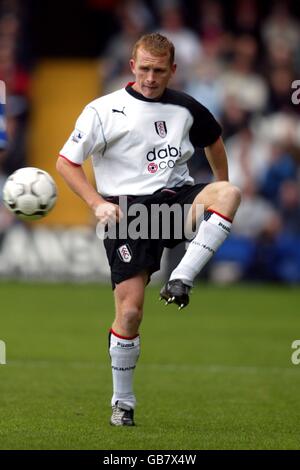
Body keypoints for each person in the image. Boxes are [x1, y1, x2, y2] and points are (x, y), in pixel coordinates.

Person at [56, 33, 241, 427]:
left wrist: (217, 185)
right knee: (131, 313)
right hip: (127, 215)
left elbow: (214, 141)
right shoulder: (103, 111)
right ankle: (122, 403)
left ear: (173, 70)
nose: (151, 77)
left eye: (159, 70)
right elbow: (66, 163)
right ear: (131, 66)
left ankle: (182, 278)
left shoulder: (187, 108)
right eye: (144, 69)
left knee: (229, 193)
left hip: (175, 199)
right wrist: (96, 204)